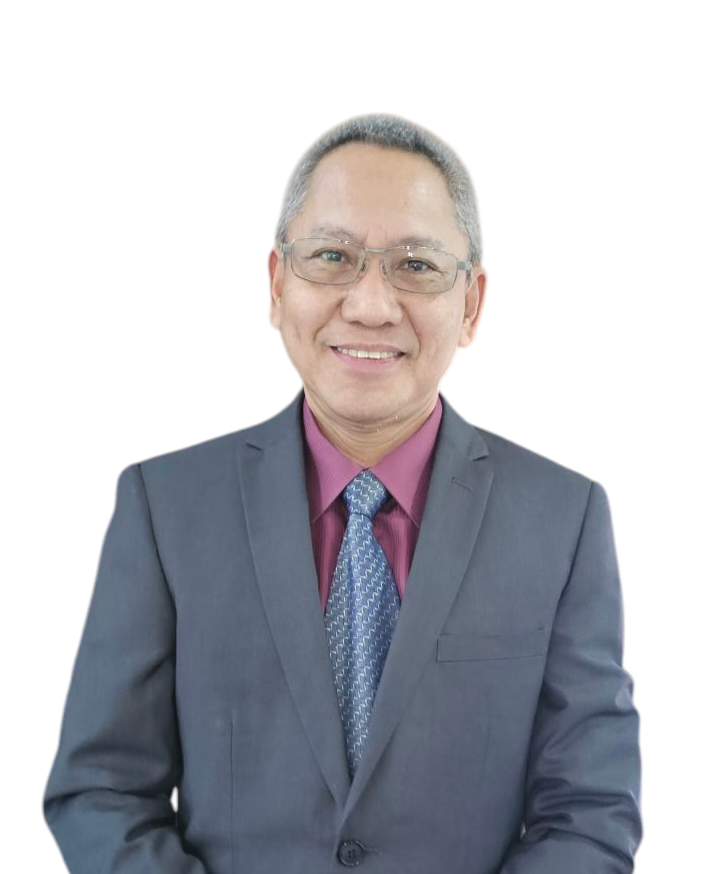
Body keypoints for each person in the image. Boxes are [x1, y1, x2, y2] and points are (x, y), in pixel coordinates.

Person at [42, 113, 643, 873]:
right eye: (332, 256)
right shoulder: (165, 509)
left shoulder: (562, 520)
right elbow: (100, 791)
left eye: (416, 265)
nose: (370, 304)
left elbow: (589, 812)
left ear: (471, 305)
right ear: (276, 283)